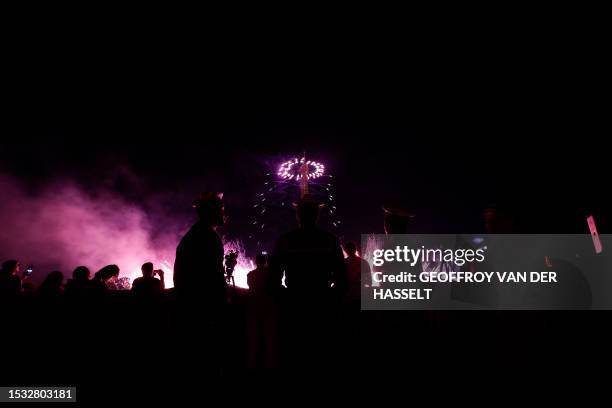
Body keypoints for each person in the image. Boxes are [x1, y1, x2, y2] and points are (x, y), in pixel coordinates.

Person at [268, 194, 347, 369]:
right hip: (322, 309)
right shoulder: (330, 241)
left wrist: (286, 298)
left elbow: (272, 281)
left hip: (294, 309)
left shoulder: (285, 240)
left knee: (293, 358)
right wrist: (329, 298)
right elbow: (342, 280)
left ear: (298, 215)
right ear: (317, 215)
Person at [246, 252, 277, 369]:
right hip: (268, 309)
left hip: (253, 309)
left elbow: (250, 286)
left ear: (256, 262)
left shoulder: (250, 274)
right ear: (265, 261)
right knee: (269, 341)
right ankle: (270, 366)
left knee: (252, 340)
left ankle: (252, 365)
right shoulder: (270, 275)